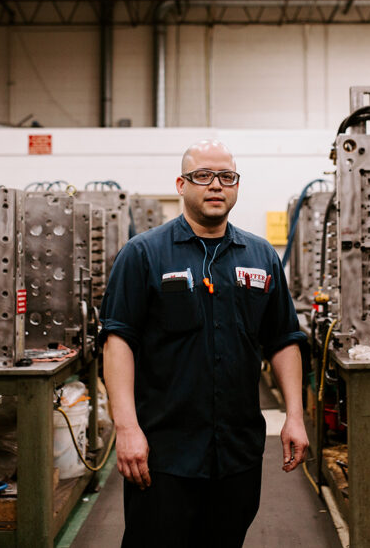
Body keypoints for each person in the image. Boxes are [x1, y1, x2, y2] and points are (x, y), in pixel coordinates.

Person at [99, 139, 309, 548]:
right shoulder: (143, 254)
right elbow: (118, 341)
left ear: (236, 186)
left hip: (237, 452)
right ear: (182, 184)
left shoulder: (261, 256)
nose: (216, 185)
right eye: (203, 177)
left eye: (226, 177)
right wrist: (126, 429)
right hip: (164, 453)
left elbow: (284, 340)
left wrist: (295, 417)